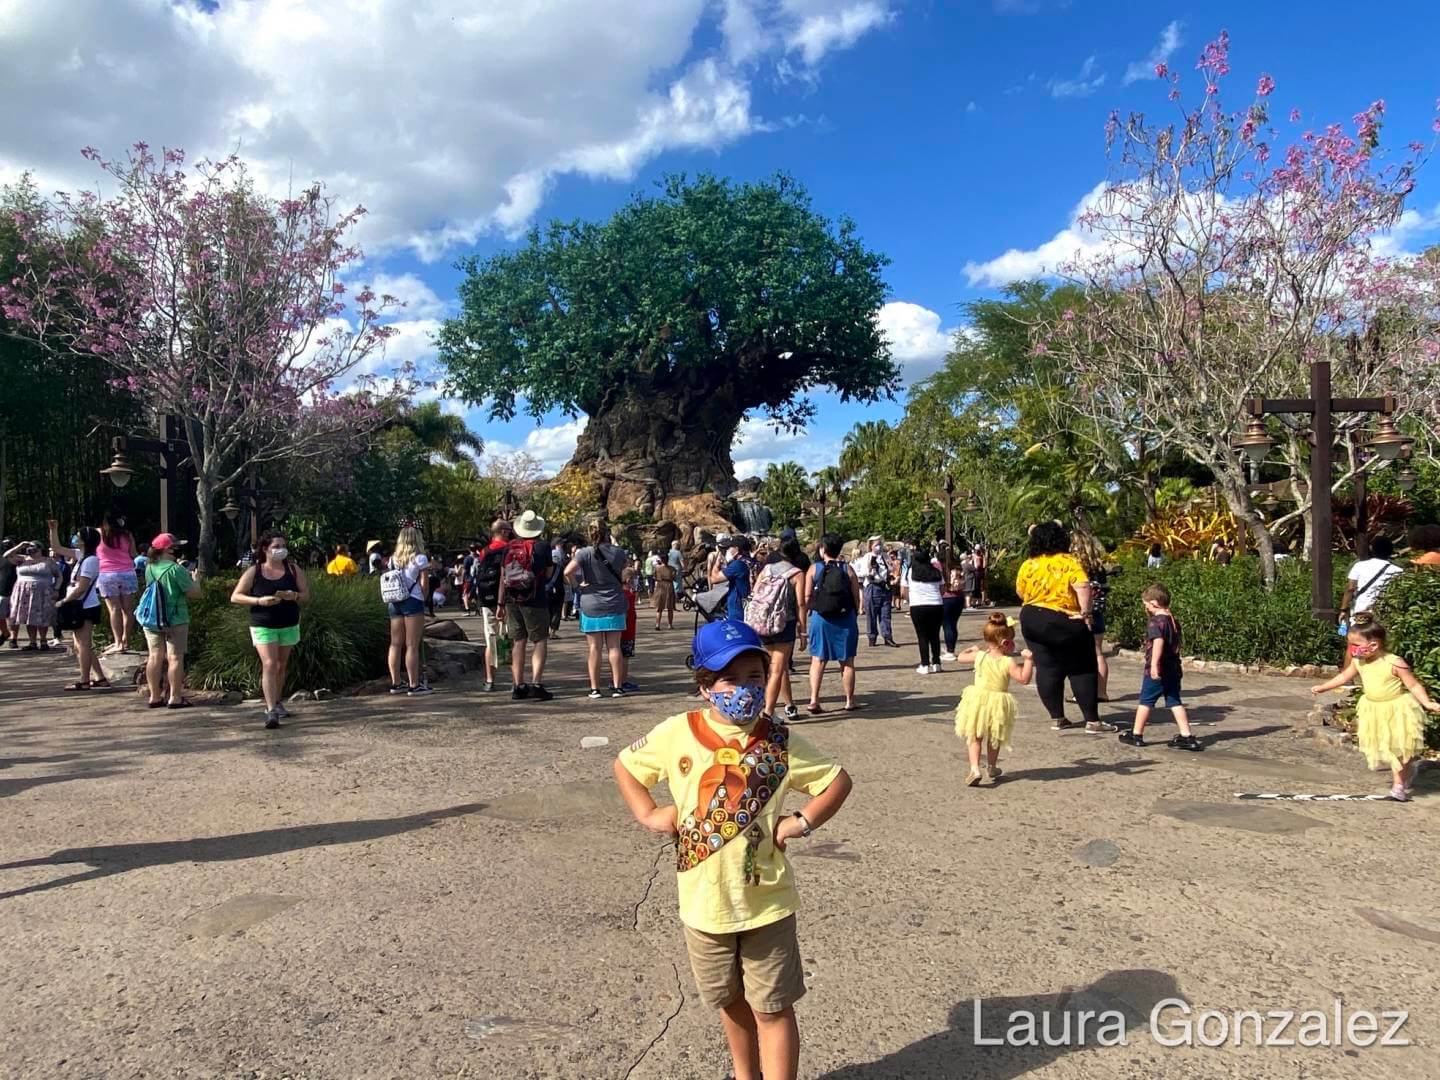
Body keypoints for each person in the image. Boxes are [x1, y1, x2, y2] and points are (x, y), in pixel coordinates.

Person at [613, 619, 853, 1080]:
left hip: (767, 905)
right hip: (704, 907)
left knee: (774, 1007)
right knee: (730, 1000)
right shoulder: (676, 732)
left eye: (754, 678)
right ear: (705, 686)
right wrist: (648, 813)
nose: (743, 689)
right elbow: (626, 766)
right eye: (729, 678)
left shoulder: (778, 741)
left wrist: (801, 821)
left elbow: (836, 781)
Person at [1311, 613, 1440, 800]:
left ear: (1373, 645)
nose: (1352, 649)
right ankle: (1408, 769)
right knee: (1385, 746)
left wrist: (1427, 702)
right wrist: (1323, 687)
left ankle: (1398, 786)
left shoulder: (1394, 662)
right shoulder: (1359, 661)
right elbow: (1344, 677)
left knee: (1399, 747)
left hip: (1398, 709)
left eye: (1356, 645)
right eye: (1350, 645)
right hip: (1373, 709)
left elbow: (1413, 685)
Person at [1015, 522, 1114, 734]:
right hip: (1065, 618)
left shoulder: (1028, 564)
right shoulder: (1069, 561)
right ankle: (1092, 721)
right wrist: (1086, 614)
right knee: (1082, 668)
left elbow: (1021, 592)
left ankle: (1058, 718)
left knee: (1047, 667)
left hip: (1032, 617)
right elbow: (1083, 586)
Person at [231, 530, 309, 729]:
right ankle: (270, 709)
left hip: (289, 622)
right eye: (276, 546)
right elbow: (236, 596)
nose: (281, 550)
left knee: (281, 665)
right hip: (263, 623)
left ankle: (277, 700)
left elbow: (306, 594)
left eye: (283, 546)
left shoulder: (293, 569)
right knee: (269, 663)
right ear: (265, 549)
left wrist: (295, 596)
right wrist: (259, 600)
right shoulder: (254, 571)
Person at [1118, 584, 1202, 750]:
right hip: (1173, 668)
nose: (1146, 607)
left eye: (1146, 604)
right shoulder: (1172, 620)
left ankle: (1136, 734)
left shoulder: (1156, 622)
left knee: (1145, 701)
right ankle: (1187, 736)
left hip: (1158, 669)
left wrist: (1155, 664)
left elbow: (1158, 642)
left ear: (1154, 603)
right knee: (1174, 701)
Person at [953, 613, 1034, 786]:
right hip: (997, 703)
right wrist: (1028, 661)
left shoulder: (980, 656)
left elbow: (959, 658)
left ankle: (975, 768)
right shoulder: (1008, 662)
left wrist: (972, 649)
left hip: (977, 700)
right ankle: (991, 766)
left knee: (974, 736)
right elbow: (1024, 679)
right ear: (1005, 643)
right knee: (994, 737)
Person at [565, 521, 629, 699]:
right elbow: (626, 569)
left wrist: (578, 586)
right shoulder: (618, 552)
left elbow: (567, 571)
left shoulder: (584, 553)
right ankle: (617, 687)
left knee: (594, 648)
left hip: (591, 602)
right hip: (614, 602)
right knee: (614, 647)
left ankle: (595, 689)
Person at [138, 533, 202, 708]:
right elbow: (194, 593)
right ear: (169, 549)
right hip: (175, 618)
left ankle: (155, 696)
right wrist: (195, 580)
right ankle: (175, 697)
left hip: (152, 618)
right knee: (175, 657)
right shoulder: (176, 570)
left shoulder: (149, 567)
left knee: (154, 657)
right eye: (175, 546)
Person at [498, 510, 555, 701]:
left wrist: (500, 603)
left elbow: (503, 577)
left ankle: (518, 684)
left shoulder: (509, 547)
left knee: (518, 641)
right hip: (535, 598)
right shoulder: (543, 547)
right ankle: (537, 684)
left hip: (512, 599)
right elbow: (548, 574)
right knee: (539, 640)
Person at [47, 523, 109, 690]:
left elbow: (82, 587)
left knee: (83, 645)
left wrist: (63, 601)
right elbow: (56, 548)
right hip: (78, 604)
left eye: (78, 535)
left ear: (85, 540)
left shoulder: (90, 561)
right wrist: (53, 530)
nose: (75, 537)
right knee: (80, 644)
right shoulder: (80, 555)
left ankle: (84, 680)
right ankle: (100, 677)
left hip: (84, 606)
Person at [805, 533, 862, 715]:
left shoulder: (814, 569)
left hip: (820, 619)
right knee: (847, 662)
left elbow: (807, 596)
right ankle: (849, 700)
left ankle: (814, 699)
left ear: (822, 549)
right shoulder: (848, 569)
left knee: (818, 660)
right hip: (845, 619)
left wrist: (809, 611)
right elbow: (856, 596)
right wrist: (854, 612)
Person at [754, 535, 808, 721]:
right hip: (785, 624)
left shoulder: (767, 569)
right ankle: (768, 712)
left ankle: (787, 704)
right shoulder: (797, 574)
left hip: (763, 622)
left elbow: (755, 593)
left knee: (777, 666)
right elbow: (801, 603)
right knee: (777, 669)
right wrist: (803, 631)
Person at [383, 525, 433, 697]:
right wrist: (424, 598)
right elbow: (424, 584)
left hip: (394, 601)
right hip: (413, 600)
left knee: (395, 643)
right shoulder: (420, 558)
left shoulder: (393, 559)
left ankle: (396, 682)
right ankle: (414, 684)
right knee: (412, 644)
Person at [472, 521, 511, 691]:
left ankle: (489, 680)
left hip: (487, 600)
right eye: (509, 531)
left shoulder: (484, 551)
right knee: (508, 638)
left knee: (491, 638)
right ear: (503, 531)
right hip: (506, 600)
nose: (511, 533)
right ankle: (515, 681)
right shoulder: (509, 548)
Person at [95, 511, 139, 654]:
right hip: (127, 572)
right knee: (128, 609)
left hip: (107, 573)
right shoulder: (127, 535)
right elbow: (133, 554)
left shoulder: (98, 533)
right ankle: (126, 640)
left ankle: (117, 642)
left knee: (114, 609)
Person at [901, 542, 944, 674]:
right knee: (935, 635)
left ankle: (925, 664)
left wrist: (910, 599)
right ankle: (937, 663)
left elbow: (903, 591)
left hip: (918, 606)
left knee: (922, 636)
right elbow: (942, 589)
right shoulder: (936, 571)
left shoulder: (910, 572)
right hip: (936, 605)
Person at [5, 540, 57, 650]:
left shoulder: (48, 561)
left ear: (40, 548)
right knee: (29, 616)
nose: (30, 549)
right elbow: (6, 555)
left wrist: (56, 589)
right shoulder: (22, 559)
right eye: (28, 547)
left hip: (43, 592)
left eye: (33, 547)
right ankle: (32, 642)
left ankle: (43, 641)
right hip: (23, 592)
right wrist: (20, 545)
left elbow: (58, 576)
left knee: (42, 616)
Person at [1340, 535, 1403, 624]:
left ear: (1371, 548)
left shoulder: (1359, 566)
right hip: (1384, 612)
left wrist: (1343, 609)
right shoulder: (1398, 571)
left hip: (1361, 611)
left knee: (1359, 635)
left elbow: (1350, 589)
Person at [854, 537, 898, 648]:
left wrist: (890, 565)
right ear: (871, 546)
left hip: (884, 586)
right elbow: (861, 572)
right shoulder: (867, 557)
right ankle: (872, 637)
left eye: (880, 544)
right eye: (876, 544)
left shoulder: (884, 556)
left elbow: (892, 569)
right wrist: (870, 570)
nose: (879, 546)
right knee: (872, 614)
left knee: (886, 614)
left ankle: (887, 637)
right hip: (872, 586)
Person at [710, 536, 755, 623]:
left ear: (736, 550)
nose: (727, 550)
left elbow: (714, 579)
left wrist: (717, 562)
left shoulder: (737, 565)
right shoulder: (751, 561)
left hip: (738, 611)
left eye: (730, 547)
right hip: (749, 608)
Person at [619, 566, 641, 693]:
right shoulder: (628, 595)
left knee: (619, 655)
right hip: (628, 630)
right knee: (625, 657)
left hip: (622, 629)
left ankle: (618, 679)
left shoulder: (621, 594)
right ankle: (622, 680)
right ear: (628, 580)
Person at [940, 563, 966, 662]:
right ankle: (950, 650)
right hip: (959, 597)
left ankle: (950, 652)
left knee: (948, 625)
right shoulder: (959, 571)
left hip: (948, 598)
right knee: (952, 624)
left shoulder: (946, 571)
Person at [0, 539, 18, 649]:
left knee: (13, 617)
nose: (7, 547)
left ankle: (13, 638)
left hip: (15, 591)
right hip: (2, 591)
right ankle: (6, 633)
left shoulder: (18, 559)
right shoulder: (1, 558)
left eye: (10, 545)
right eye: (5, 546)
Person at [653, 552, 678, 630]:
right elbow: (675, 578)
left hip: (660, 587)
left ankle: (657, 624)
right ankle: (670, 625)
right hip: (669, 586)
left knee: (659, 608)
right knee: (670, 608)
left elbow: (655, 577)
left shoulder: (657, 568)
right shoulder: (672, 569)